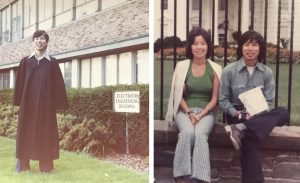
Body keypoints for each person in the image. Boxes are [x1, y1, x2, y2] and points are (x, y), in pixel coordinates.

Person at [219, 30, 290, 183]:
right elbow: (223, 100)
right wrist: (238, 114)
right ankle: (241, 127)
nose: (250, 49)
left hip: (257, 114)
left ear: (260, 48)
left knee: (284, 112)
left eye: (254, 44)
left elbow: (269, 99)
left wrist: (255, 112)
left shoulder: (266, 72)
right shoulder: (229, 71)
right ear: (241, 48)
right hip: (237, 115)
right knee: (250, 140)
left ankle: (242, 129)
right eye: (246, 44)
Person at [165, 27, 222, 183]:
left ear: (208, 46)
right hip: (184, 111)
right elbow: (178, 96)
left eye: (203, 43)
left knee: (200, 135)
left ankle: (201, 177)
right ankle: (181, 175)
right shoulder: (182, 67)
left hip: (206, 112)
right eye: (195, 43)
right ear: (190, 46)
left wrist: (201, 115)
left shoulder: (215, 69)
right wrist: (190, 113)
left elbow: (214, 99)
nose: (199, 47)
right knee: (187, 133)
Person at [13, 30, 69, 173]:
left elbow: (58, 84)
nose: (39, 41)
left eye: (42, 39)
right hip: (28, 105)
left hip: (46, 106)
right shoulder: (26, 61)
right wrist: (19, 102)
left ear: (46, 42)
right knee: (25, 132)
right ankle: (23, 165)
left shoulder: (52, 63)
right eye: (37, 39)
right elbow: (20, 83)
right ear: (33, 42)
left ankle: (45, 166)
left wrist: (58, 105)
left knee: (46, 133)